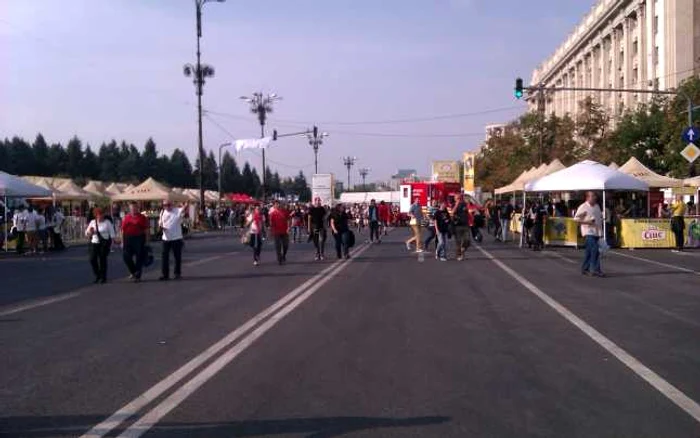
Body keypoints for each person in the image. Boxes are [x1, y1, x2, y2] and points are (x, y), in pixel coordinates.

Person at [574, 191, 604, 277]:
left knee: (589, 252)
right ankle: (595, 269)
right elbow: (576, 219)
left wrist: (600, 232)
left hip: (596, 232)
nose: (595, 197)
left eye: (595, 196)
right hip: (588, 232)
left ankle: (585, 268)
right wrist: (587, 221)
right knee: (595, 249)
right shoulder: (583, 207)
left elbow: (598, 220)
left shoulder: (597, 206)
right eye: (593, 196)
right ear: (587, 198)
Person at [86, 207, 118, 283]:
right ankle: (98, 275)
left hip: (104, 243)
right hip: (94, 242)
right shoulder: (93, 222)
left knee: (102, 260)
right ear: (95, 215)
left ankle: (103, 277)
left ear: (103, 215)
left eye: (101, 214)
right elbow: (87, 233)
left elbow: (112, 234)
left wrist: (113, 244)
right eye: (98, 215)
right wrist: (90, 232)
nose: (100, 216)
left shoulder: (107, 223)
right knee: (92, 259)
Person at [121, 202, 150, 282]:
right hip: (128, 238)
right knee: (126, 256)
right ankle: (134, 271)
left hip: (139, 238)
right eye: (131, 208)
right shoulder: (126, 217)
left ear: (137, 208)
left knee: (139, 258)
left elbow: (147, 230)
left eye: (134, 208)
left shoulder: (142, 217)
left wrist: (147, 241)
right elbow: (122, 230)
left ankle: (138, 276)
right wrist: (122, 241)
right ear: (129, 209)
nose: (133, 210)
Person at [159, 201, 187, 280]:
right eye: (164, 205)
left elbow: (184, 207)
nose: (167, 207)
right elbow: (160, 222)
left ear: (172, 205)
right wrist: (161, 227)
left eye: (168, 205)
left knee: (177, 257)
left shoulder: (177, 210)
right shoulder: (162, 212)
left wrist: (184, 204)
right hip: (166, 238)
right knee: (164, 257)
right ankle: (165, 274)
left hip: (176, 238)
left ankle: (177, 273)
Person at [451, 195, 471, 261]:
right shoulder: (453, 204)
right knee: (458, 241)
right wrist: (456, 205)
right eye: (457, 198)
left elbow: (468, 211)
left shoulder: (464, 204)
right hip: (457, 226)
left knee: (468, 240)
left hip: (465, 224)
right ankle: (459, 255)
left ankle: (463, 249)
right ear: (455, 199)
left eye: (460, 198)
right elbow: (452, 213)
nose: (459, 199)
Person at [269, 200, 290, 265]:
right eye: (276, 204)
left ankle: (283, 255)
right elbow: (271, 223)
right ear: (274, 206)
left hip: (284, 231)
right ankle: (279, 259)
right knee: (278, 246)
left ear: (280, 205)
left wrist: (288, 227)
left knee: (285, 245)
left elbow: (288, 219)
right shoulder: (273, 213)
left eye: (278, 204)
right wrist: (271, 232)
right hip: (276, 231)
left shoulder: (285, 212)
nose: (277, 205)